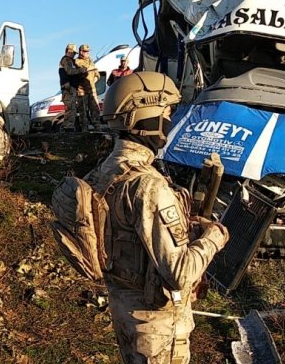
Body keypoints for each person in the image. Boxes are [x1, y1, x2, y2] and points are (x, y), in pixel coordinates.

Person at [84, 71, 229, 364]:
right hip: (157, 327)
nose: (169, 120)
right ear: (147, 116)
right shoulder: (147, 185)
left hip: (124, 308)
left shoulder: (100, 173)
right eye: (166, 112)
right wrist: (215, 237)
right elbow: (179, 274)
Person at [74, 44, 101, 132]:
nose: (87, 53)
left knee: (95, 109)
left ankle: (97, 128)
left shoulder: (91, 61)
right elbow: (84, 69)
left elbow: (97, 74)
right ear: (81, 52)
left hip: (92, 90)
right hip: (82, 91)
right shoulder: (77, 61)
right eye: (85, 51)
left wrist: (93, 81)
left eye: (88, 51)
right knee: (83, 111)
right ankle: (84, 130)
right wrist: (91, 68)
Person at [58, 43, 84, 133]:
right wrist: (80, 70)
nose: (74, 55)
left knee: (72, 108)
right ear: (69, 51)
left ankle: (69, 127)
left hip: (71, 88)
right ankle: (68, 128)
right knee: (70, 109)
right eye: (73, 53)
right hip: (68, 88)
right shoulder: (66, 60)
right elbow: (69, 71)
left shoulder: (70, 61)